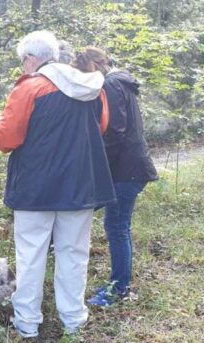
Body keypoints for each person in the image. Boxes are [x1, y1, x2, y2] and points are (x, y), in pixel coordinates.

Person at [0, 30, 115, 338]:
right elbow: (101, 127)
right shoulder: (91, 87)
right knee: (74, 254)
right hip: (80, 186)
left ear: (32, 59)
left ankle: (27, 324)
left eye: (23, 60)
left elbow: (5, 139)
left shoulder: (29, 88)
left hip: (35, 188)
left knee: (31, 255)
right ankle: (74, 321)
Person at [72, 47, 159, 307]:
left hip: (126, 170)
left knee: (117, 227)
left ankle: (118, 288)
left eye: (84, 71)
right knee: (117, 225)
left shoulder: (110, 84)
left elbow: (116, 131)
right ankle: (118, 284)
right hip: (130, 168)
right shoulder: (121, 82)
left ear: (96, 64)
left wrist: (94, 163)